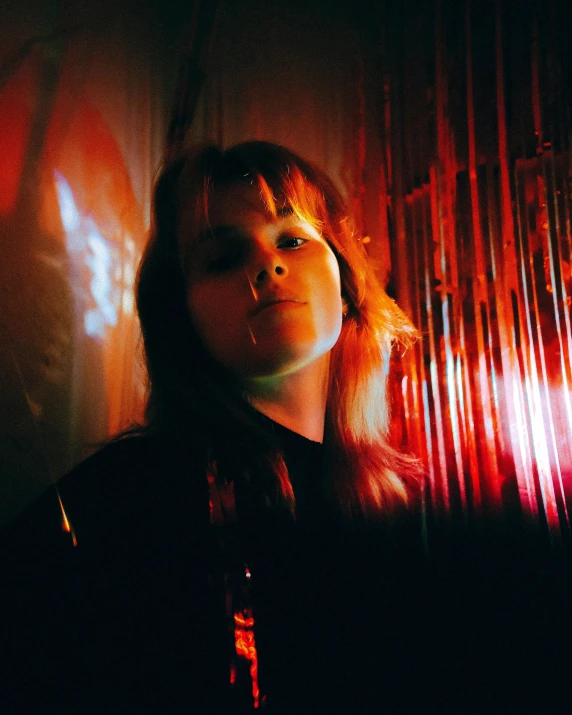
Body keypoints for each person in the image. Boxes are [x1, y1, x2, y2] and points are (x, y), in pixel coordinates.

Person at [2, 141, 570, 714]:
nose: (267, 265)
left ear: (347, 283)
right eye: (222, 257)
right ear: (182, 317)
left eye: (292, 240)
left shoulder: (409, 505)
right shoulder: (132, 496)